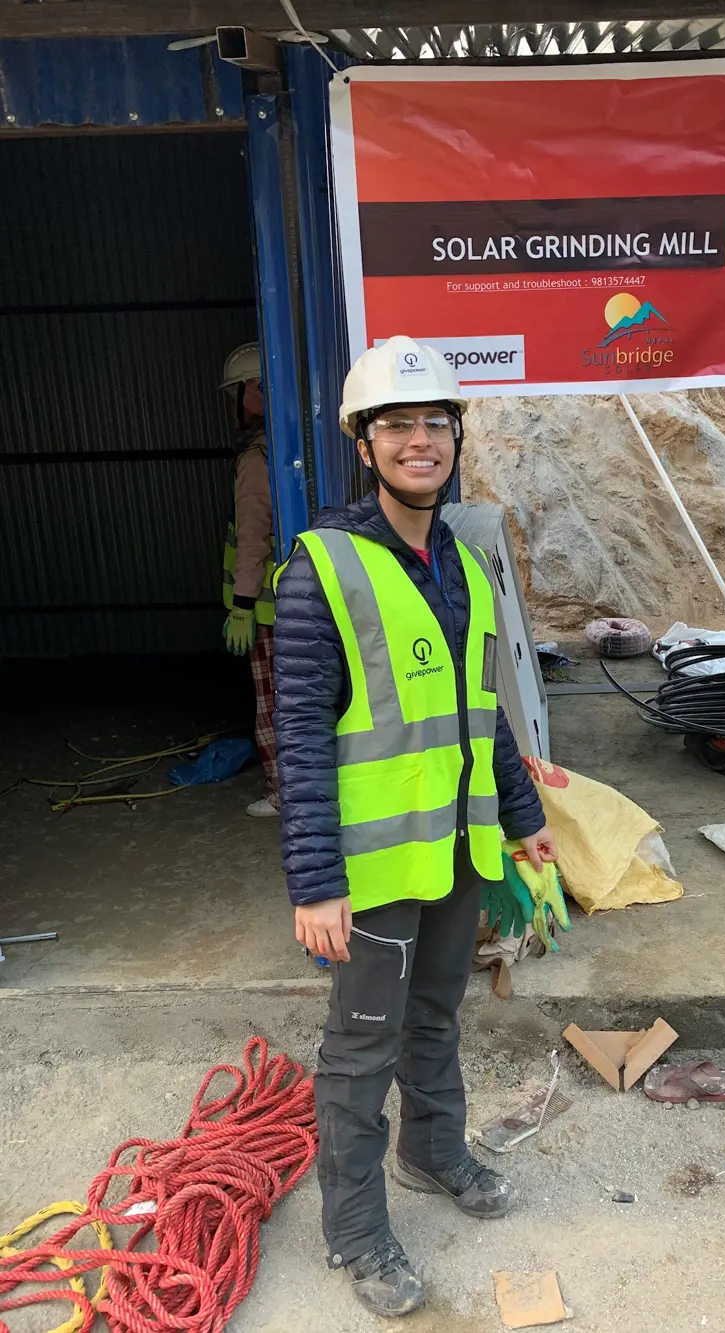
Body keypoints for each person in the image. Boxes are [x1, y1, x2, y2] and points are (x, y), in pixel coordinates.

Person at [273, 336, 556, 1318]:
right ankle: (356, 1233)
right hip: (373, 867)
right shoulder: (324, 568)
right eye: (397, 424)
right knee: (359, 1052)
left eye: (436, 422)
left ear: (455, 436)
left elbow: (485, 711)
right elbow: (297, 733)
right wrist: (314, 880)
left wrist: (523, 822)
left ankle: (432, 1154)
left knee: (433, 1020)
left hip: (455, 854)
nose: (419, 440)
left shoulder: (465, 565)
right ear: (365, 444)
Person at [220, 342, 280, 817]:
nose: (232, 405)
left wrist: (241, 605)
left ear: (257, 391)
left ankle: (284, 792)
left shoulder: (256, 460)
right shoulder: (286, 447)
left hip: (265, 610)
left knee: (273, 706)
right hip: (292, 603)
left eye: (235, 393)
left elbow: (252, 538)